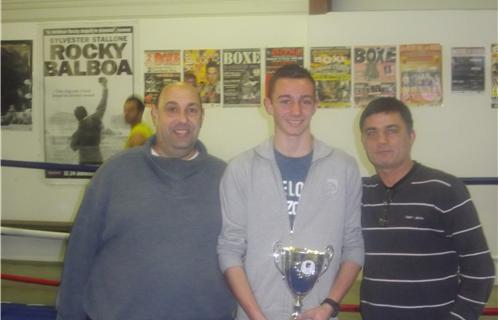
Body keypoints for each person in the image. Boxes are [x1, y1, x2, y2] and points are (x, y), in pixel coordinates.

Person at [56, 82, 235, 320]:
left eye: (192, 109)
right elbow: (79, 255)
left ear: (202, 116)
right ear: (155, 115)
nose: (183, 118)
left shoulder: (227, 179)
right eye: (172, 109)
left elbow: (242, 259)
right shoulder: (113, 174)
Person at [217, 64, 364, 320]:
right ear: (268, 105)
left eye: (304, 101)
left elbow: (353, 245)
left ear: (316, 104)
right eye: (285, 101)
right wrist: (256, 316)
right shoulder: (241, 169)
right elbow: (229, 249)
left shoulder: (344, 167)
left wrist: (329, 306)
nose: (296, 111)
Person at [359, 97, 495, 320]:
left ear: (411, 136)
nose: (381, 140)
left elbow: (480, 270)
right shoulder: (360, 193)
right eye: (371, 132)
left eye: (392, 130)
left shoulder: (446, 189)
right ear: (363, 141)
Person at [70, 77, 108, 164]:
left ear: (76, 117)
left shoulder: (78, 132)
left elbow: (73, 147)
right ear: (86, 112)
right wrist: (105, 87)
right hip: (97, 159)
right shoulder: (95, 119)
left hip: (84, 161)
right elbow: (103, 103)